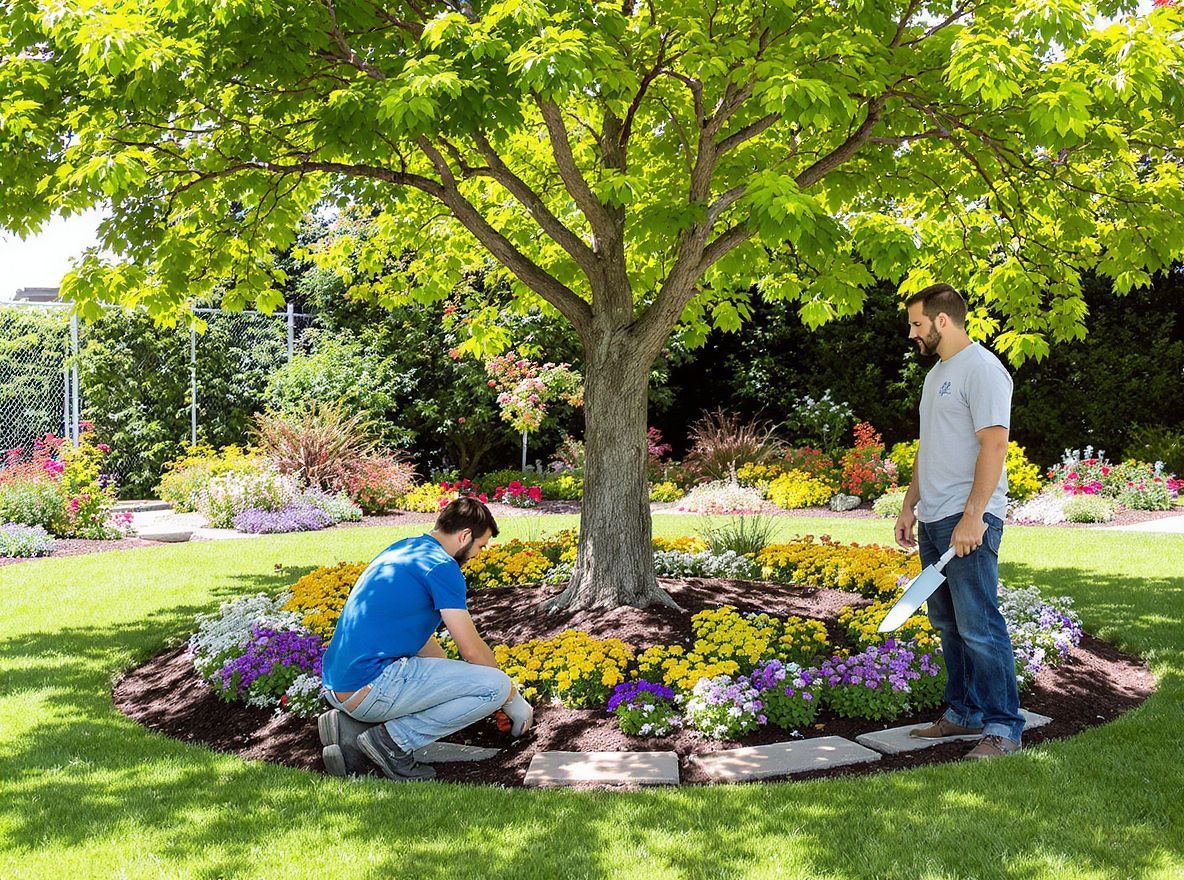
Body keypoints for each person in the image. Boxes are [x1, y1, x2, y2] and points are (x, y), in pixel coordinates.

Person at [893, 283, 1025, 760]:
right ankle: (964, 713)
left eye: (916, 324)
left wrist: (974, 517)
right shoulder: (937, 376)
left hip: (966, 520)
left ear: (941, 321)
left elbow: (994, 444)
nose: (912, 334)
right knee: (948, 621)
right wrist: (911, 504)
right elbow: (930, 446)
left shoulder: (983, 369)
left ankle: (1004, 727)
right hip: (934, 516)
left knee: (979, 623)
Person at [317, 497, 533, 781]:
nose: (478, 554)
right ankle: (393, 743)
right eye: (481, 546)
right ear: (465, 536)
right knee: (496, 685)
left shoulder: (405, 549)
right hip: (370, 688)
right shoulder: (442, 566)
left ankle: (350, 729)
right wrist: (508, 697)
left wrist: (455, 685)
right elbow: (471, 650)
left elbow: (414, 637)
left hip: (339, 685)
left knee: (469, 678)